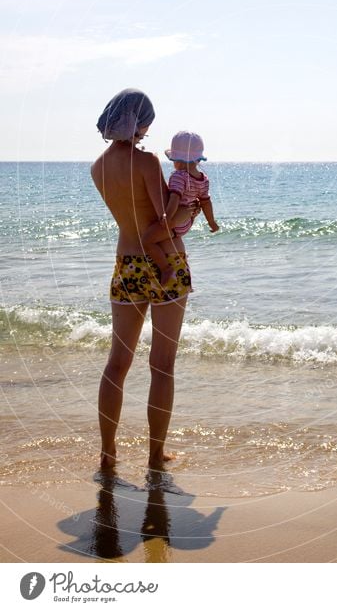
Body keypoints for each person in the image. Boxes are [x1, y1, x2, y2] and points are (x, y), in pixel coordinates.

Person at [91, 89, 193, 471]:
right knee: (162, 365)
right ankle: (155, 455)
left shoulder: (97, 167)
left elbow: (131, 218)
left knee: (117, 363)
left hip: (127, 264)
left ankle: (108, 452)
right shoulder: (149, 162)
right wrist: (190, 205)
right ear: (140, 121)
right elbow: (161, 222)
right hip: (164, 262)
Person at [141, 131, 219, 286]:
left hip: (175, 223)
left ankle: (165, 269)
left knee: (147, 241)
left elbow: (175, 198)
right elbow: (206, 202)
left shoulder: (179, 176)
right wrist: (211, 222)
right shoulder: (203, 179)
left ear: (178, 160)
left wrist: (166, 217)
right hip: (187, 223)